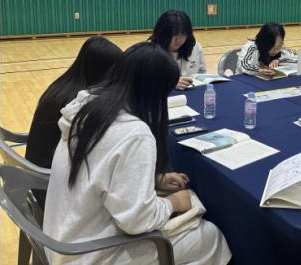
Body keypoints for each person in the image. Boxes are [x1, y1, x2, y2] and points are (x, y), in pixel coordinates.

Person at [43, 42, 231, 265]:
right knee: (211, 236)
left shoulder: (87, 104)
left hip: (59, 241)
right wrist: (174, 203)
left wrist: (154, 179)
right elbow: (137, 221)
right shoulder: (134, 133)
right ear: (153, 92)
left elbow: (99, 171)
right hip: (88, 254)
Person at [26, 36, 123, 180]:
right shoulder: (79, 102)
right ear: (103, 70)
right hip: (49, 181)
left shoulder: (61, 85)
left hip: (34, 172)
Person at [150, 9, 206, 89]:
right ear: (162, 33)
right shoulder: (149, 52)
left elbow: (202, 73)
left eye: (183, 34)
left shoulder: (195, 47)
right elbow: (143, 82)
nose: (179, 40)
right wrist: (169, 83)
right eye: (174, 35)